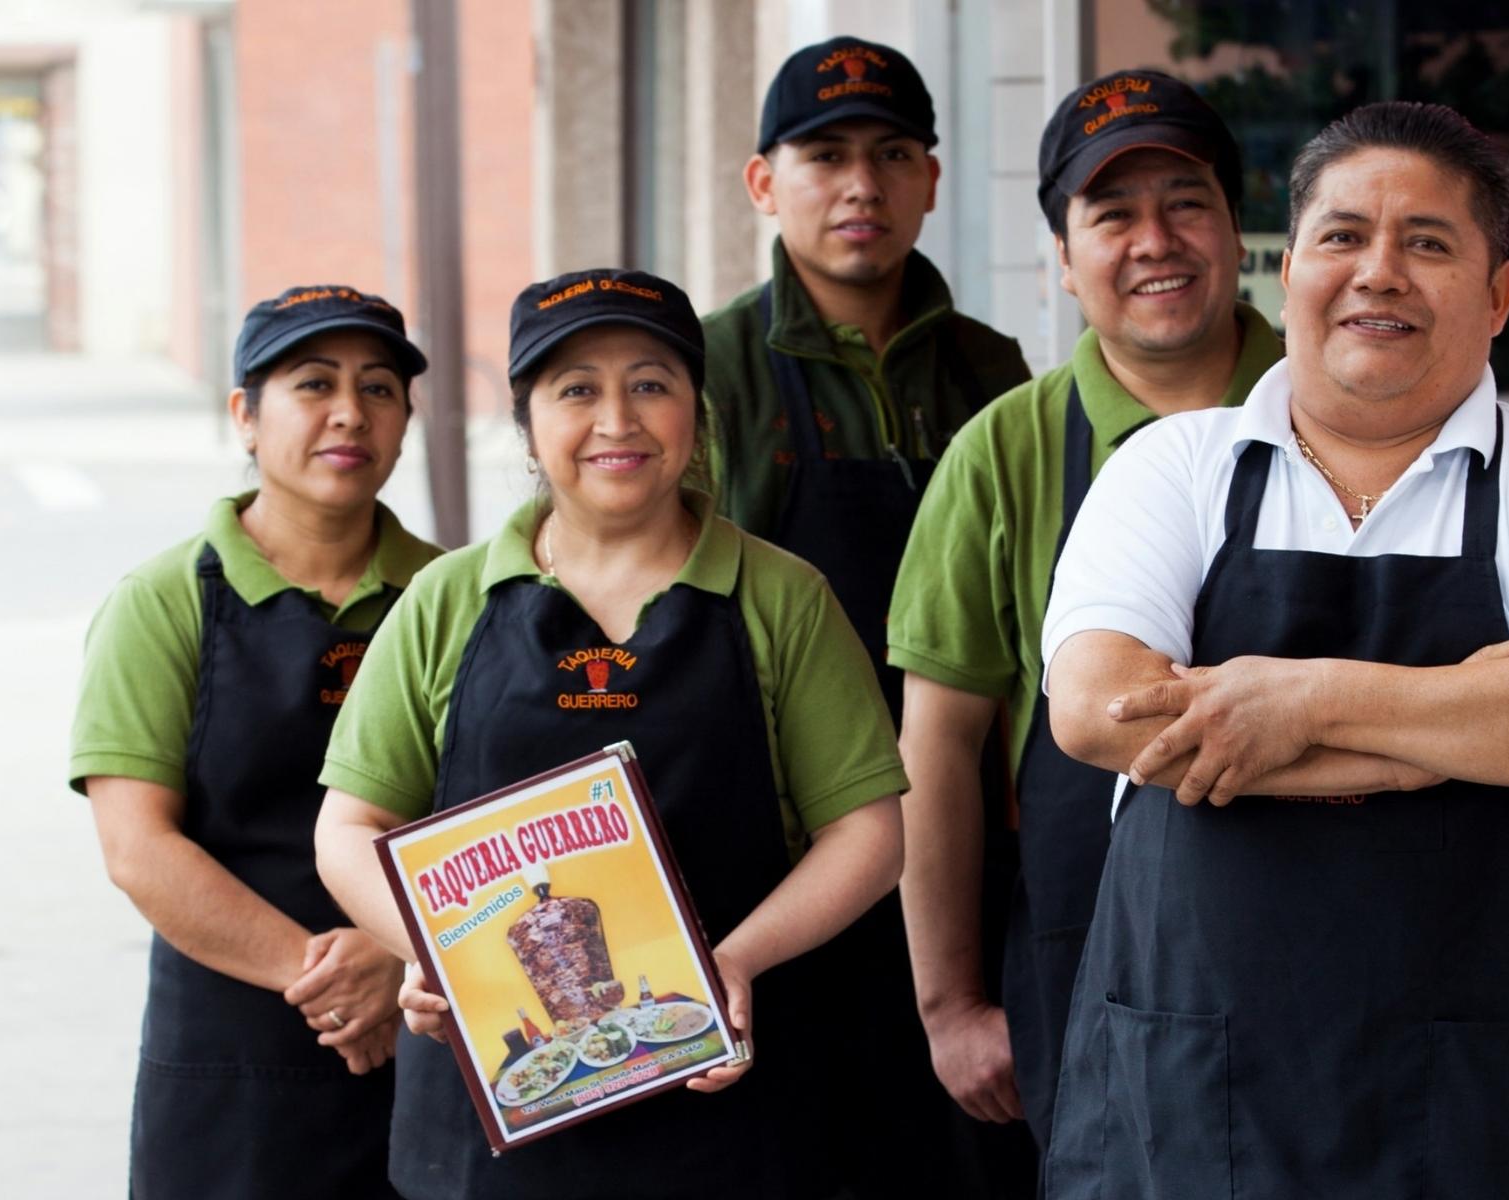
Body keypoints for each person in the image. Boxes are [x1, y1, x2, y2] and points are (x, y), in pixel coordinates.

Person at [1040, 102, 1509, 1199]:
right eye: (1342, 238)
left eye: (1427, 243)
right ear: (1287, 275)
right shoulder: (1170, 469)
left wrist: (1302, 699)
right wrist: (1438, 740)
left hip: (1482, 1111)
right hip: (1194, 1104)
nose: (1378, 272)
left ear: (1501, 295)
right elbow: (1102, 711)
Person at [312, 269, 907, 1200]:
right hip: (498, 1111)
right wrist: (441, 960)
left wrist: (737, 960)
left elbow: (868, 834)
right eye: (577, 389)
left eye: (651, 384)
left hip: (730, 1097)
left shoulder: (782, 596)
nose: (617, 420)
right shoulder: (447, 600)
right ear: (527, 423)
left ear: (696, 413)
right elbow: (348, 827)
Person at [889, 68, 1283, 1159]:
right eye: (1113, 215)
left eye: (1186, 202)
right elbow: (938, 747)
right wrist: (951, 1005)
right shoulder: (1001, 454)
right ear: (1062, 261)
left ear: (1236, 229)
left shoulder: (1339, 410)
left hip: (1324, 931)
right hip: (1087, 947)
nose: (1155, 239)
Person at [702, 37, 1035, 1194]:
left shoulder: (995, 373)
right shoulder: (705, 371)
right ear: (763, 183)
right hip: (782, 860)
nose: (862, 186)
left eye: (893, 154)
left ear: (933, 181)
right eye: (826, 155)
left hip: (967, 844)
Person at [69, 285, 440, 1198]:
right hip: (230, 1063)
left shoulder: (455, 596)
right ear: (245, 416)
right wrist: (330, 980)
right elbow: (138, 850)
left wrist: (396, 956)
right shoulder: (162, 602)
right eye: (313, 384)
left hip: (432, 1032)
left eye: (380, 388)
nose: (350, 412)